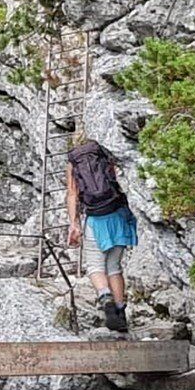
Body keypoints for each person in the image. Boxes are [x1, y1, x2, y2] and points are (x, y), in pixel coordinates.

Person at [66, 136, 137, 334]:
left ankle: (106, 299)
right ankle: (120, 312)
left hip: (96, 219)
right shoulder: (103, 152)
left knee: (95, 266)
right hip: (118, 214)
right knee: (114, 266)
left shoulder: (74, 162)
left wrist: (74, 223)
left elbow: (72, 193)